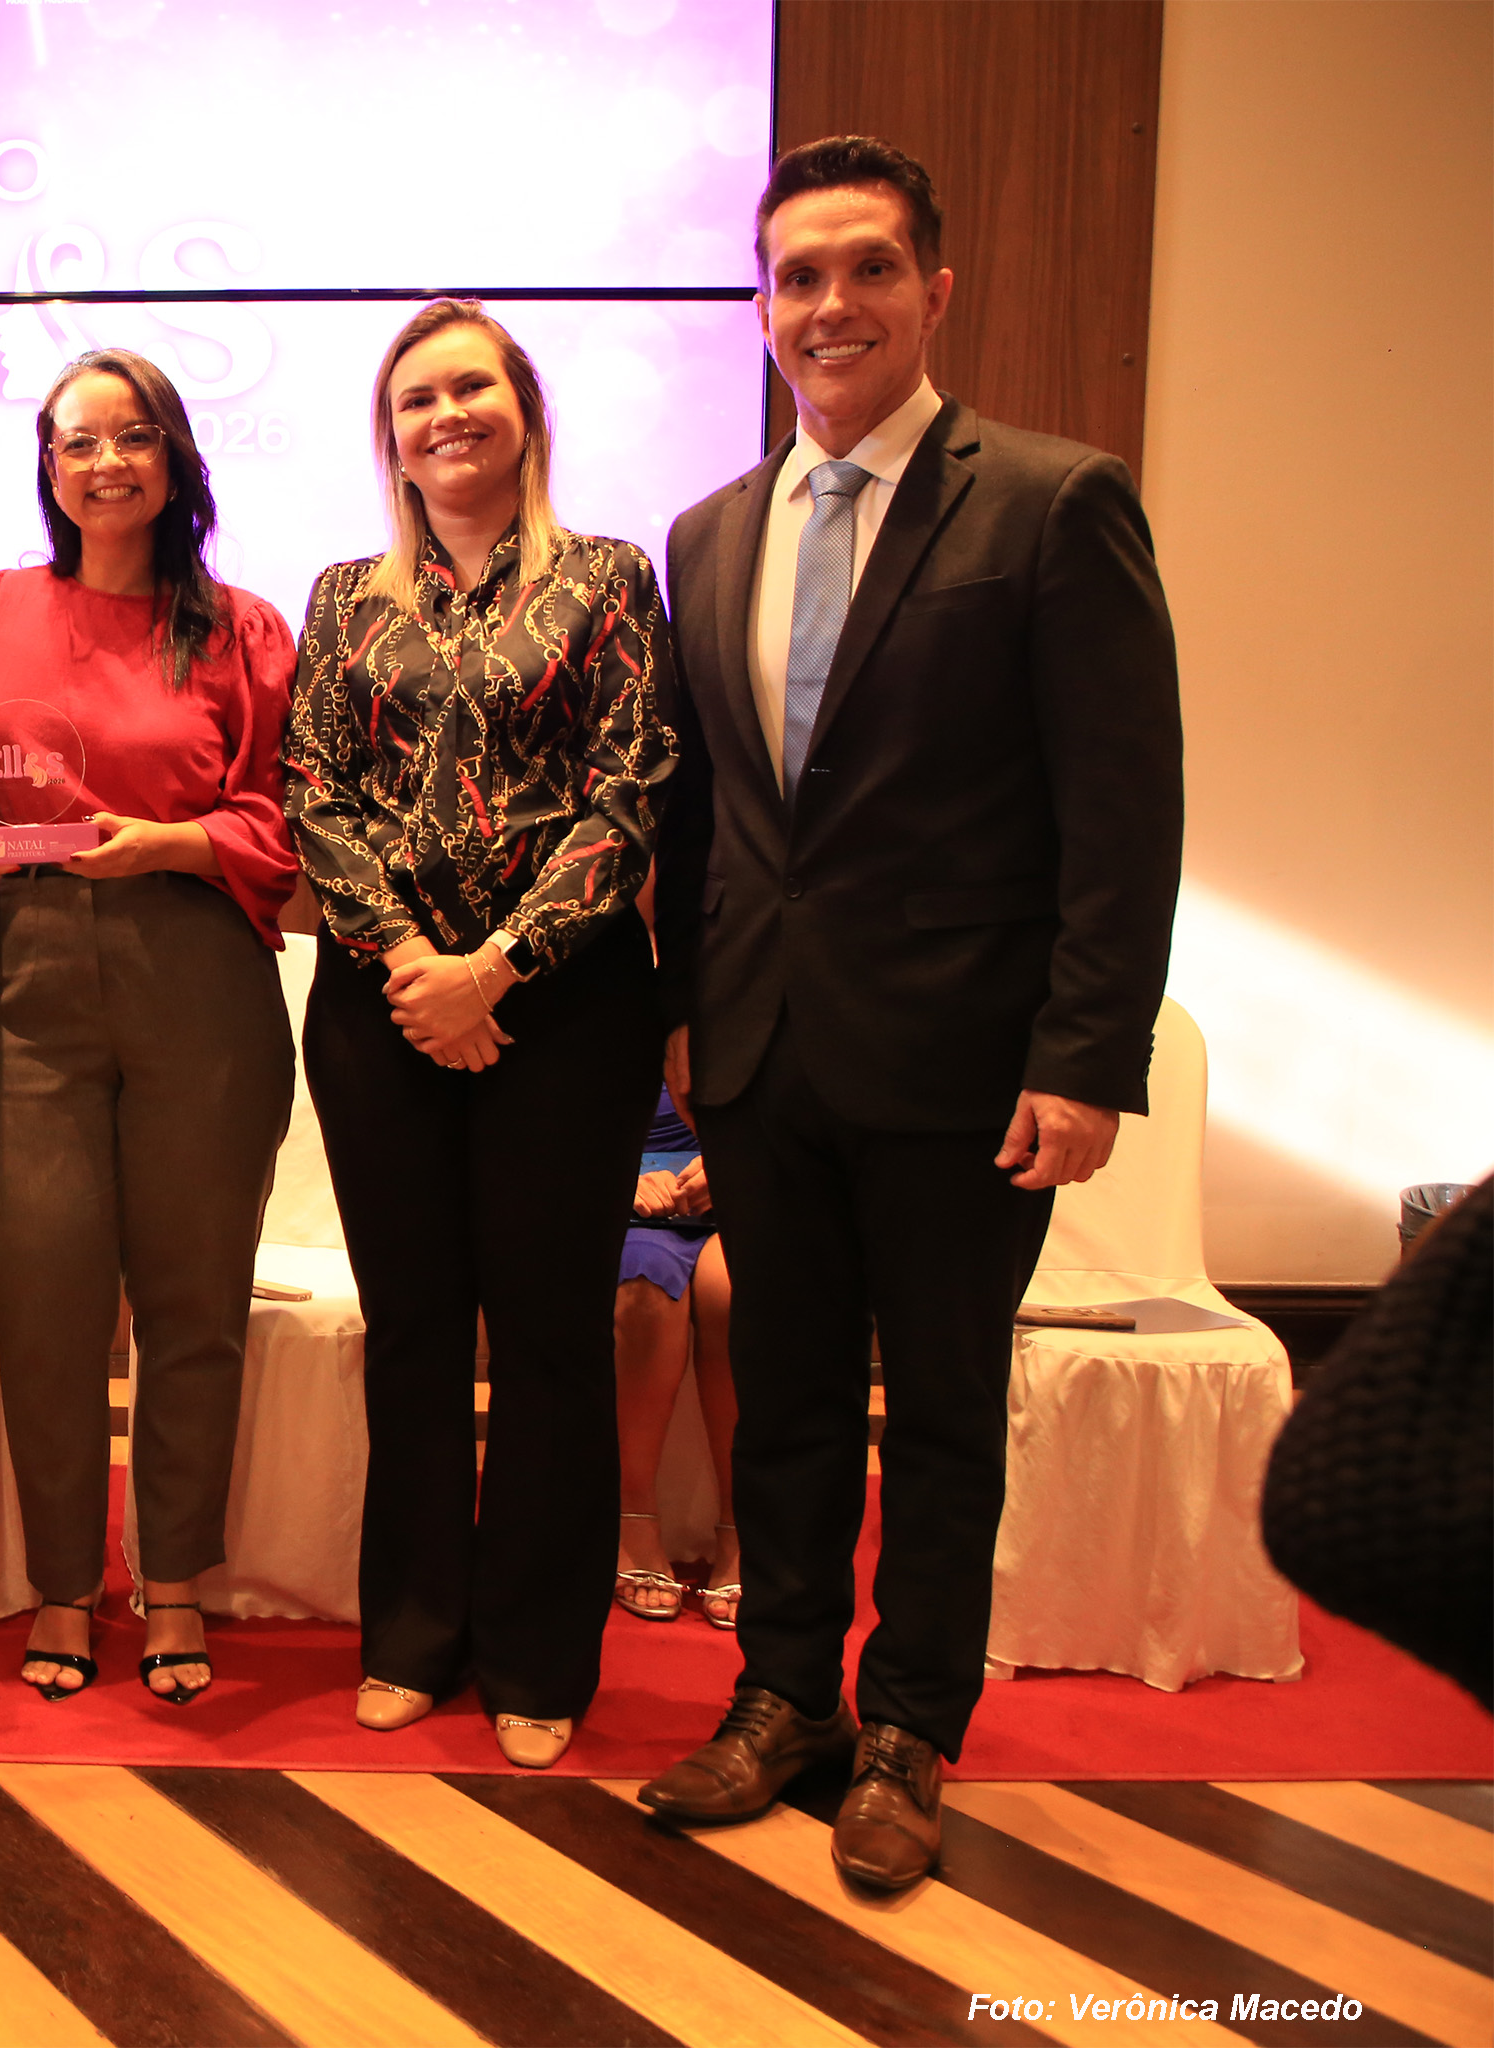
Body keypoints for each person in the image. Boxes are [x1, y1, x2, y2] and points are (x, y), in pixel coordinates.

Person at [641, 137, 1182, 1889]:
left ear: (934, 291)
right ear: (762, 306)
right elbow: (703, 813)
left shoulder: (1051, 500)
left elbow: (1122, 806)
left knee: (941, 1408)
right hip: (762, 1048)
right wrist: (683, 1014)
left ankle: (908, 1731)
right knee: (787, 1393)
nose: (831, 304)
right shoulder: (711, 531)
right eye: (798, 275)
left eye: (867, 268)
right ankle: (784, 1695)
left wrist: (1085, 1058)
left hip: (966, 1061)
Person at [283, 299, 673, 1769]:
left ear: (525, 411)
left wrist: (495, 969)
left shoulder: (611, 580)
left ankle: (537, 1652)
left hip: (563, 1011)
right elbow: (313, 786)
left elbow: (633, 788)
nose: (446, 415)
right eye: (418, 398)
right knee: (415, 1329)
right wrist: (415, 966)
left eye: (471, 388)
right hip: (381, 1009)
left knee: (553, 1333)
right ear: (391, 437)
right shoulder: (344, 596)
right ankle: (413, 1632)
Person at [0, 349, 299, 1706]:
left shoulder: (242, 628)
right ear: (48, 468)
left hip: (197, 972)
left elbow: (289, 819)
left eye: (132, 437)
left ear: (174, 457)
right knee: (44, 1300)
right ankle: (63, 1580)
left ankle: (173, 1577)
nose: (105, 463)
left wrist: (169, 841)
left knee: (193, 1304)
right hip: (28, 975)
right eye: (77, 442)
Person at [612, 1082, 739, 1628]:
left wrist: (739, 1162)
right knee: (646, 1288)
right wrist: (618, 1175)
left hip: (743, 1191)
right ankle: (633, 1521)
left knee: (736, 1293)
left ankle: (741, 1528)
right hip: (626, 1198)